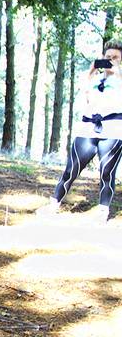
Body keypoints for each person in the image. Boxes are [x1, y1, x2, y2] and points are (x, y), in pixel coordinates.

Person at [36, 40, 122, 223]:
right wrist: (91, 72)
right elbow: (84, 96)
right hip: (88, 128)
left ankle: (102, 211)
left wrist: (117, 74)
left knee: (107, 172)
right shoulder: (95, 80)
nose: (111, 60)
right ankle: (54, 204)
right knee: (71, 169)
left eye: (115, 57)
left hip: (113, 131)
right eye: (108, 57)